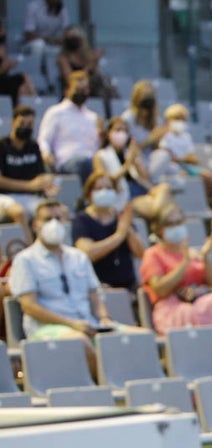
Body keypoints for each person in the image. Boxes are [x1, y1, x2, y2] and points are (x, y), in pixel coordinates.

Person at [7, 199, 113, 375]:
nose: (54, 223)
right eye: (48, 219)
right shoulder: (25, 260)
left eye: (59, 218)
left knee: (139, 337)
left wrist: (104, 318)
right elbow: (29, 306)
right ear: (35, 225)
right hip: (45, 329)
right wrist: (71, 324)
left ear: (66, 223)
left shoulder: (79, 257)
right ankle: (106, 389)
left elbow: (94, 294)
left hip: (89, 324)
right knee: (79, 342)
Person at [139, 202, 212, 364]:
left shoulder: (193, 253)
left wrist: (205, 258)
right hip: (172, 310)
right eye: (171, 224)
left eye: (179, 222)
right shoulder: (153, 254)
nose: (176, 227)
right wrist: (184, 263)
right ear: (159, 229)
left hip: (198, 304)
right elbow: (160, 290)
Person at [72, 171, 145, 291]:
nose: (104, 191)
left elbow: (140, 253)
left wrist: (128, 230)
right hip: (98, 286)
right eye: (99, 188)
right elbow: (88, 253)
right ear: (89, 194)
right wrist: (118, 236)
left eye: (109, 188)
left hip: (128, 285)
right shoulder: (82, 220)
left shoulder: (121, 218)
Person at [92, 115, 169, 220]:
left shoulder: (130, 152)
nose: (122, 134)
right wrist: (127, 164)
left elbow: (145, 178)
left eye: (125, 131)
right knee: (163, 209)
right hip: (124, 194)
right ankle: (160, 218)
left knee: (164, 188)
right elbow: (105, 182)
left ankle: (160, 217)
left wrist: (137, 162)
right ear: (108, 133)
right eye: (118, 130)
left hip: (140, 188)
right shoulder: (100, 156)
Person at [0, 104, 55, 241]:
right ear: (13, 123)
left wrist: (48, 183)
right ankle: (30, 250)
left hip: (31, 197)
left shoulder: (33, 146)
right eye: (22, 123)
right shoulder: (2, 146)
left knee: (55, 211)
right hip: (6, 197)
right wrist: (29, 185)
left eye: (30, 124)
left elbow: (40, 175)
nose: (26, 127)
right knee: (19, 213)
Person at [37, 70, 101, 180]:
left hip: (92, 161)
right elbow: (43, 140)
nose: (81, 93)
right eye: (78, 89)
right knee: (85, 163)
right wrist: (46, 154)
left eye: (84, 90)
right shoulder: (56, 112)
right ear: (67, 90)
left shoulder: (93, 117)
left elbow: (97, 146)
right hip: (67, 162)